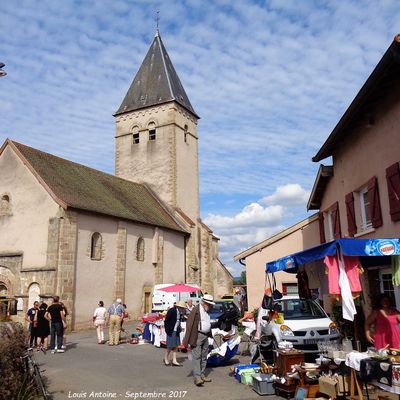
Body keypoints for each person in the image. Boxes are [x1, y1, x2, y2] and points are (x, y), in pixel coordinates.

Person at [182, 294, 215, 386]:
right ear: (204, 302)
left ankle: (202, 375)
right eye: (209, 304)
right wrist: (186, 340)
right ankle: (197, 377)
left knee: (204, 356)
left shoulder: (207, 310)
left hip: (205, 336)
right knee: (197, 356)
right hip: (197, 335)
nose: (210, 306)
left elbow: (207, 323)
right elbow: (189, 324)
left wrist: (209, 334)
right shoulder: (196, 310)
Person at [163, 300, 186, 366]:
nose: (182, 309)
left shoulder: (180, 312)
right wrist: (167, 330)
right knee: (170, 346)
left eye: (183, 308)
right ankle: (165, 358)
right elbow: (166, 321)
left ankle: (174, 360)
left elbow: (178, 321)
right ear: (178, 306)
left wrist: (180, 328)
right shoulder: (172, 310)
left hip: (176, 331)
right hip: (171, 330)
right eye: (181, 307)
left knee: (176, 346)